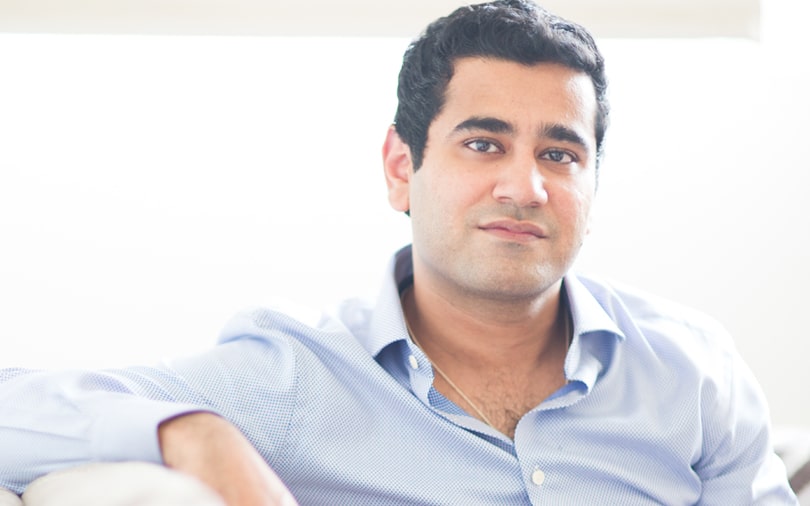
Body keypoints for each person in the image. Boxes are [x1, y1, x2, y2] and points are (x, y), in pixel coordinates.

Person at [0, 0, 799, 504]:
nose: (526, 187)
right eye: (484, 143)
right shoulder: (293, 379)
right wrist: (195, 432)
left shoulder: (691, 370)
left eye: (560, 154)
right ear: (400, 167)